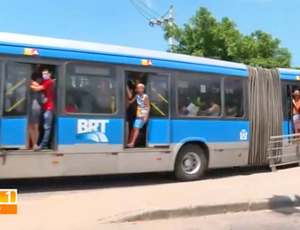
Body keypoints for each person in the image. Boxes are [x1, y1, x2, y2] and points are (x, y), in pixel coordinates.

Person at [30, 69, 55, 151]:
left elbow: (37, 88)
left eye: (46, 73)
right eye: (43, 73)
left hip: (49, 107)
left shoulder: (49, 82)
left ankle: (44, 144)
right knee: (42, 126)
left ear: (50, 74)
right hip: (44, 107)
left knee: (47, 127)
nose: (44, 75)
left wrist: (29, 84)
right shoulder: (44, 82)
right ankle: (40, 142)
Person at [127, 83, 150, 148]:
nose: (140, 89)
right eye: (139, 88)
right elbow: (130, 102)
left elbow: (148, 107)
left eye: (141, 88)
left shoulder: (145, 96)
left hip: (142, 115)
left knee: (136, 128)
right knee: (134, 128)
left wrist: (146, 116)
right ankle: (130, 142)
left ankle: (132, 143)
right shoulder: (137, 96)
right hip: (138, 114)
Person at [29, 74, 44, 149]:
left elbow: (36, 86)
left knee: (34, 126)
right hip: (32, 108)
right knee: (32, 126)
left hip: (35, 108)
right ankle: (34, 144)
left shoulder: (38, 88)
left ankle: (35, 144)